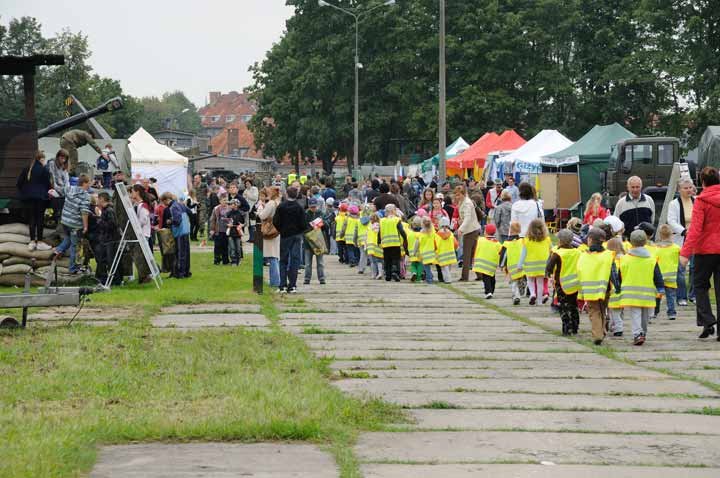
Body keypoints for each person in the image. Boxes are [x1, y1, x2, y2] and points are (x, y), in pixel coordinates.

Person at [679, 167, 720, 340]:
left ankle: (707, 320)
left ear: (702, 182)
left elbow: (695, 230)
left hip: (705, 250)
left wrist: (685, 253)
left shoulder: (701, 201)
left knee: (700, 286)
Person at [619, 230, 665, 346]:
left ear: (630, 242)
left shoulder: (624, 259)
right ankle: (643, 332)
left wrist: (618, 286)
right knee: (645, 315)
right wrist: (660, 288)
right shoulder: (651, 259)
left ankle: (637, 334)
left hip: (631, 292)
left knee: (635, 314)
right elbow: (657, 275)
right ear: (645, 242)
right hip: (647, 293)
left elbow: (620, 274)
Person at [577, 227, 619, 345]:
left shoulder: (583, 256)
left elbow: (579, 272)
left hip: (590, 290)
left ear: (590, 240)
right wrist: (617, 286)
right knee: (602, 310)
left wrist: (580, 290)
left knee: (594, 312)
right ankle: (602, 330)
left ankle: (597, 335)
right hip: (605, 289)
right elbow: (613, 272)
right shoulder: (608, 255)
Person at [54, 175, 92, 274]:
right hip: (75, 225)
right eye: (88, 183)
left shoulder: (70, 189)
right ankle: (72, 268)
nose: (90, 185)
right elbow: (84, 212)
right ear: (84, 183)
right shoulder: (85, 196)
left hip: (65, 221)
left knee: (68, 238)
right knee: (74, 247)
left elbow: (60, 191)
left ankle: (58, 250)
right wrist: (85, 226)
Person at [546, 229, 581, 336]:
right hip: (575, 283)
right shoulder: (578, 252)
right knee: (574, 305)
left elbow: (549, 267)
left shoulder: (557, 253)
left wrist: (548, 274)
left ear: (560, 241)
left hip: (561, 284)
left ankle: (567, 328)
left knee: (564, 306)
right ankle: (575, 326)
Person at [273, 186, 307, 293]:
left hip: (285, 236)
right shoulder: (299, 207)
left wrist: (281, 230)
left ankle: (282, 285)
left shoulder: (281, 207)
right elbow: (304, 224)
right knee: (295, 260)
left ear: (286, 194)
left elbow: (276, 221)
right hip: (296, 236)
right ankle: (292, 285)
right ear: (296, 195)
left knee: (283, 260)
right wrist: (299, 231)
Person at [17, 151, 52, 251]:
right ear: (41, 159)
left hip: (28, 198)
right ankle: (40, 242)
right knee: (40, 219)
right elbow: (48, 186)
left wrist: (24, 192)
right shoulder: (44, 170)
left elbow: (19, 183)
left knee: (31, 219)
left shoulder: (27, 169)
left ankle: (32, 241)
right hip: (40, 198)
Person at [668, 178, 695, 305]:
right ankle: (681, 297)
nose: (689, 190)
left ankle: (693, 295)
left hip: (696, 239)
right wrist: (684, 231)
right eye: (686, 188)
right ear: (679, 190)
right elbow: (671, 221)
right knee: (680, 269)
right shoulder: (674, 204)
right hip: (681, 238)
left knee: (696, 268)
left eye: (690, 187)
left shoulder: (697, 201)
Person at [519, 219, 551, 305]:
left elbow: (523, 254)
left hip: (530, 265)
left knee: (530, 281)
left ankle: (532, 294)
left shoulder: (526, 240)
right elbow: (551, 250)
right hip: (543, 265)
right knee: (540, 282)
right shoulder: (547, 239)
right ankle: (540, 301)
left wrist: (520, 264)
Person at [654, 224, 680, 321]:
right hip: (671, 277)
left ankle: (655, 312)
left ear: (660, 235)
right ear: (671, 235)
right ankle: (671, 313)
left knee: (658, 295)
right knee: (671, 295)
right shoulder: (676, 248)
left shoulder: (656, 248)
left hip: (659, 277)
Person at [455, 185, 481, 281]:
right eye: (456, 195)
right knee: (472, 255)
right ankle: (480, 275)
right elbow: (465, 217)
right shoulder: (463, 201)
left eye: (458, 195)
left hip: (470, 230)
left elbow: (468, 218)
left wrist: (461, 229)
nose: (457, 197)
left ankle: (464, 276)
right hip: (473, 229)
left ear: (463, 194)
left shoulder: (466, 203)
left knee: (467, 254)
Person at [94, 192, 120, 285]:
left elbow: (112, 225)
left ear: (102, 199)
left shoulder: (109, 210)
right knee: (104, 260)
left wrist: (99, 220)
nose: (97, 200)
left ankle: (116, 280)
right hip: (106, 239)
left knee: (111, 260)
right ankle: (105, 279)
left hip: (110, 239)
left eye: (98, 198)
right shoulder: (106, 210)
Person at [378, 204, 408, 282]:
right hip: (395, 243)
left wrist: (379, 241)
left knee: (387, 260)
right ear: (393, 211)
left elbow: (379, 232)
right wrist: (405, 238)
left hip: (385, 244)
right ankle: (395, 272)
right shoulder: (396, 220)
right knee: (396, 259)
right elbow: (401, 230)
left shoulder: (382, 221)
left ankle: (388, 275)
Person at [258, 187, 281, 287]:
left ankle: (275, 282)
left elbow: (263, 216)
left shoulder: (271, 203)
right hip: (277, 229)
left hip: (269, 230)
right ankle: (276, 281)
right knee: (275, 256)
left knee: (272, 257)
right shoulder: (278, 201)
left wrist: (260, 209)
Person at [165, 193, 192, 278]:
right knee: (186, 253)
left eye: (164, 201)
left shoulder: (173, 207)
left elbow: (177, 220)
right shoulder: (181, 204)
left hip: (180, 232)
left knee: (180, 253)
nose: (164, 204)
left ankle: (180, 273)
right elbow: (190, 212)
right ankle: (186, 272)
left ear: (167, 199)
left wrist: (170, 221)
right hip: (186, 231)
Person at [472, 223, 502, 299]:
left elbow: (476, 248)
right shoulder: (498, 244)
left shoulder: (481, 240)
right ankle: (492, 290)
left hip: (483, 264)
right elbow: (500, 253)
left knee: (486, 279)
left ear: (485, 232)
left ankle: (488, 292)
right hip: (492, 265)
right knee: (492, 278)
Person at [605, 238, 626, 336]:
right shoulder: (625, 258)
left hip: (614, 289)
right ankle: (615, 325)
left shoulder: (611, 260)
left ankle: (618, 327)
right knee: (620, 310)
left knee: (615, 310)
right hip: (625, 288)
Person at [500, 222, 525, 305]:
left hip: (511, 266)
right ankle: (522, 288)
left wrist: (501, 264)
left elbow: (503, 255)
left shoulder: (506, 243)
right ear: (520, 230)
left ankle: (516, 295)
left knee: (513, 282)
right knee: (521, 279)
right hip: (522, 266)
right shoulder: (522, 241)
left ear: (510, 230)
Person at [304, 197, 327, 284]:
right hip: (308, 242)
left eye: (314, 207)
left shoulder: (320, 213)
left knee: (320, 262)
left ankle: (322, 278)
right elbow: (303, 227)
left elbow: (325, 226)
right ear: (309, 206)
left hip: (318, 241)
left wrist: (322, 224)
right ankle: (307, 279)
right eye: (311, 207)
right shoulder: (305, 214)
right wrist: (311, 226)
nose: (313, 208)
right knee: (308, 263)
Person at [45, 149, 70, 226]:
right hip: (53, 188)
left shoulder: (65, 166)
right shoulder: (52, 164)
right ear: (58, 156)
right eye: (62, 158)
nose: (63, 160)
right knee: (54, 201)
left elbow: (66, 180)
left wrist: (66, 189)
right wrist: (60, 190)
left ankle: (59, 219)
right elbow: (52, 180)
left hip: (62, 190)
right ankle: (50, 218)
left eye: (65, 158)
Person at [210, 193, 230, 265]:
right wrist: (212, 229)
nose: (225, 202)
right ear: (220, 201)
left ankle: (225, 260)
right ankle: (217, 260)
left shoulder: (229, 208)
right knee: (217, 246)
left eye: (226, 200)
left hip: (227, 231)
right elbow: (213, 220)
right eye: (224, 200)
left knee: (225, 246)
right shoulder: (216, 209)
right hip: (218, 230)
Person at [225, 199, 245, 266]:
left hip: (238, 233)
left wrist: (242, 225)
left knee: (238, 248)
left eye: (232, 204)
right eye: (230, 204)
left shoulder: (241, 213)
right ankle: (233, 261)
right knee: (232, 248)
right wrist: (228, 224)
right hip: (231, 233)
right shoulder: (228, 213)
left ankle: (238, 260)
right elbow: (226, 222)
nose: (230, 205)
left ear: (236, 205)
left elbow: (244, 223)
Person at [366, 213, 384, 279]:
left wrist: (366, 245)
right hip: (377, 245)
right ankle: (379, 273)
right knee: (379, 260)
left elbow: (367, 236)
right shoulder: (380, 226)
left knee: (373, 261)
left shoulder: (370, 227)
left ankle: (373, 274)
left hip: (371, 245)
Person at [407, 216, 424, 282]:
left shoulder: (410, 234)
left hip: (411, 252)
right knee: (419, 265)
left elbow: (407, 242)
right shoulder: (421, 234)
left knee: (413, 264)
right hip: (420, 252)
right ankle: (418, 278)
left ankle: (414, 272)